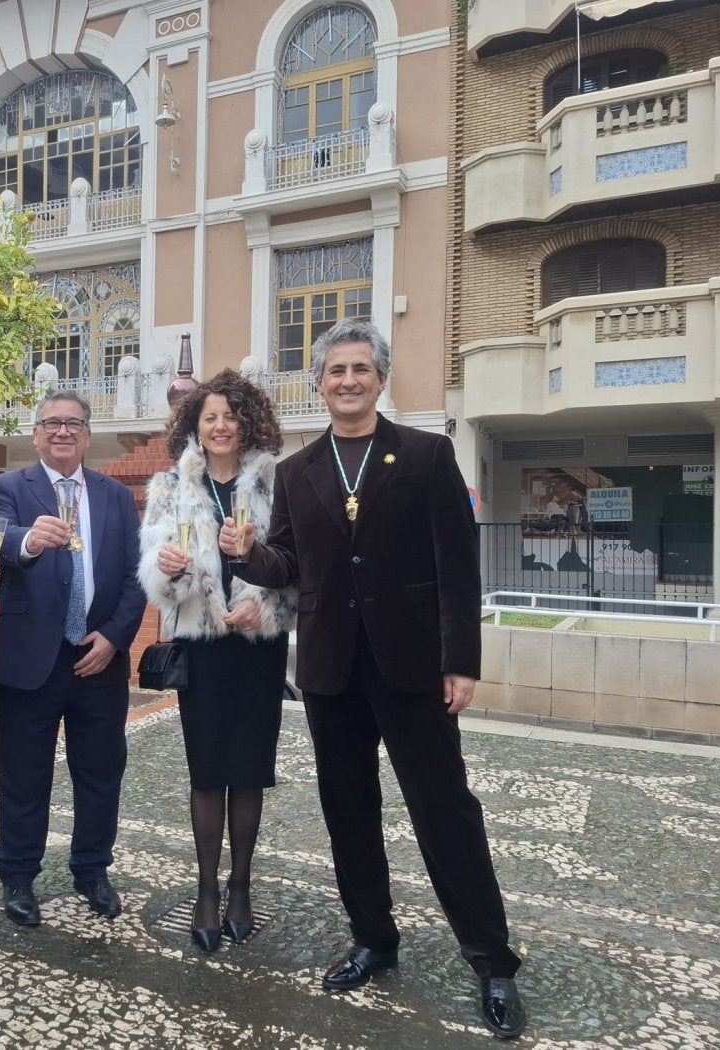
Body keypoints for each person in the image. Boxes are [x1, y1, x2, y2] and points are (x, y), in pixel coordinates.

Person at [219, 319, 527, 1040]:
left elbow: (458, 564)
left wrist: (461, 660)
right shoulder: (297, 471)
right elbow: (290, 568)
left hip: (414, 665)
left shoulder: (425, 454)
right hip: (332, 667)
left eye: (362, 369)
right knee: (348, 811)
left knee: (444, 809)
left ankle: (492, 959)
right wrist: (247, 553)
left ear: (380, 379)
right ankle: (373, 939)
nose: (349, 381)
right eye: (336, 371)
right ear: (319, 383)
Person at [137, 369, 296, 952]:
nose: (221, 425)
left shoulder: (279, 484)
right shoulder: (169, 488)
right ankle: (206, 889)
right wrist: (171, 571)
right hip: (202, 652)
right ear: (195, 428)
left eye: (230, 416)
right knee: (207, 772)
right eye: (210, 417)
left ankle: (241, 886)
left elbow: (298, 566)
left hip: (257, 649)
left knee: (250, 770)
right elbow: (153, 576)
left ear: (246, 421)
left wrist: (266, 606)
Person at [0, 391, 146, 926]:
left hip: (97, 658)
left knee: (100, 772)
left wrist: (114, 638)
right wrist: (30, 541)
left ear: (87, 433)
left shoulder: (116, 497)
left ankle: (92, 869)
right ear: (35, 433)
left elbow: (133, 576)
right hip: (31, 660)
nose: (62, 431)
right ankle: (17, 877)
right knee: (23, 775)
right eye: (51, 423)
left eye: (73, 423)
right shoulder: (8, 487)